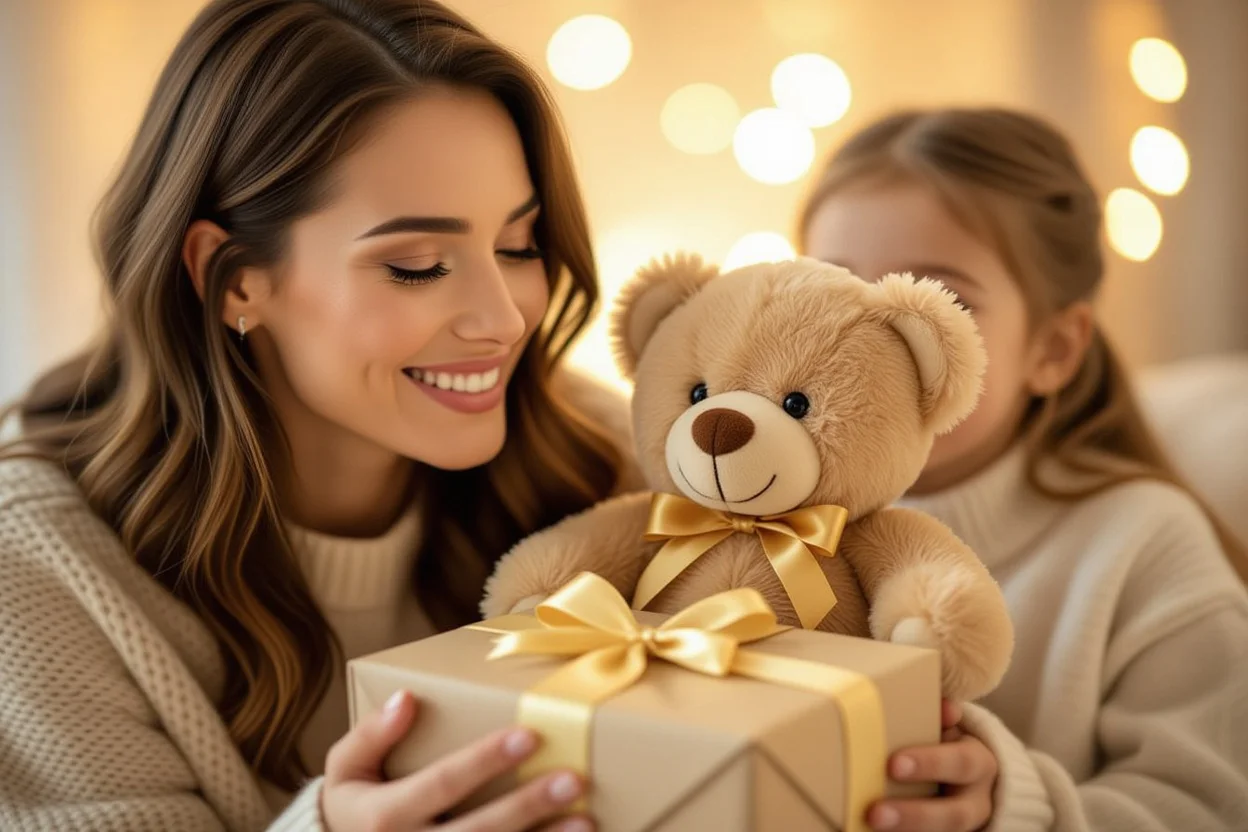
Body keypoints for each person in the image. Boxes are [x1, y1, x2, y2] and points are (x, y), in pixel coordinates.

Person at [0, 1, 640, 829]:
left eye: (517, 246)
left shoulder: (611, 460)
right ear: (234, 281)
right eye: (417, 264)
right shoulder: (39, 576)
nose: (505, 318)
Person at [798, 107, 1248, 832]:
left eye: (941, 302)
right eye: (834, 293)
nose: (865, 349)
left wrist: (1020, 807)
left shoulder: (1142, 544)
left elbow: (1212, 804)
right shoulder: (755, 519)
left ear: (1053, 350)